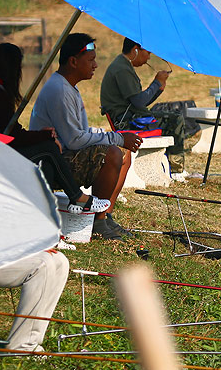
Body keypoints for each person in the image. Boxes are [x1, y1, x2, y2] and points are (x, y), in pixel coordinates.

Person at [0, 43, 109, 216]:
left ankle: (47, 217)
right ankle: (77, 197)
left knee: (46, 162)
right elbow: (14, 136)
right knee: (48, 149)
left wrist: (42, 135)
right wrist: (46, 136)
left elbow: (10, 130)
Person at [30, 33, 142, 241]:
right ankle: (97, 222)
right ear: (73, 61)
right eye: (91, 60)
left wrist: (116, 137)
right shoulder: (59, 90)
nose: (96, 65)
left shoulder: (70, 88)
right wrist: (116, 139)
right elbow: (74, 140)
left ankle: (105, 215)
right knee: (113, 154)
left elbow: (83, 133)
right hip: (52, 163)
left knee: (124, 153)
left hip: (68, 151)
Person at [100, 38, 188, 173]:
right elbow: (139, 102)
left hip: (131, 116)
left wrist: (158, 89)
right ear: (135, 49)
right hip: (127, 122)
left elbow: (140, 101)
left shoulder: (122, 65)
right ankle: (176, 169)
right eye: (147, 53)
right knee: (175, 119)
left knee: (171, 116)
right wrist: (157, 83)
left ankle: (171, 165)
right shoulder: (122, 69)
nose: (148, 58)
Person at [0, 251, 69, 353]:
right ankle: (22, 347)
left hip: (3, 253)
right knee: (43, 264)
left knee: (60, 260)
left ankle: (32, 339)